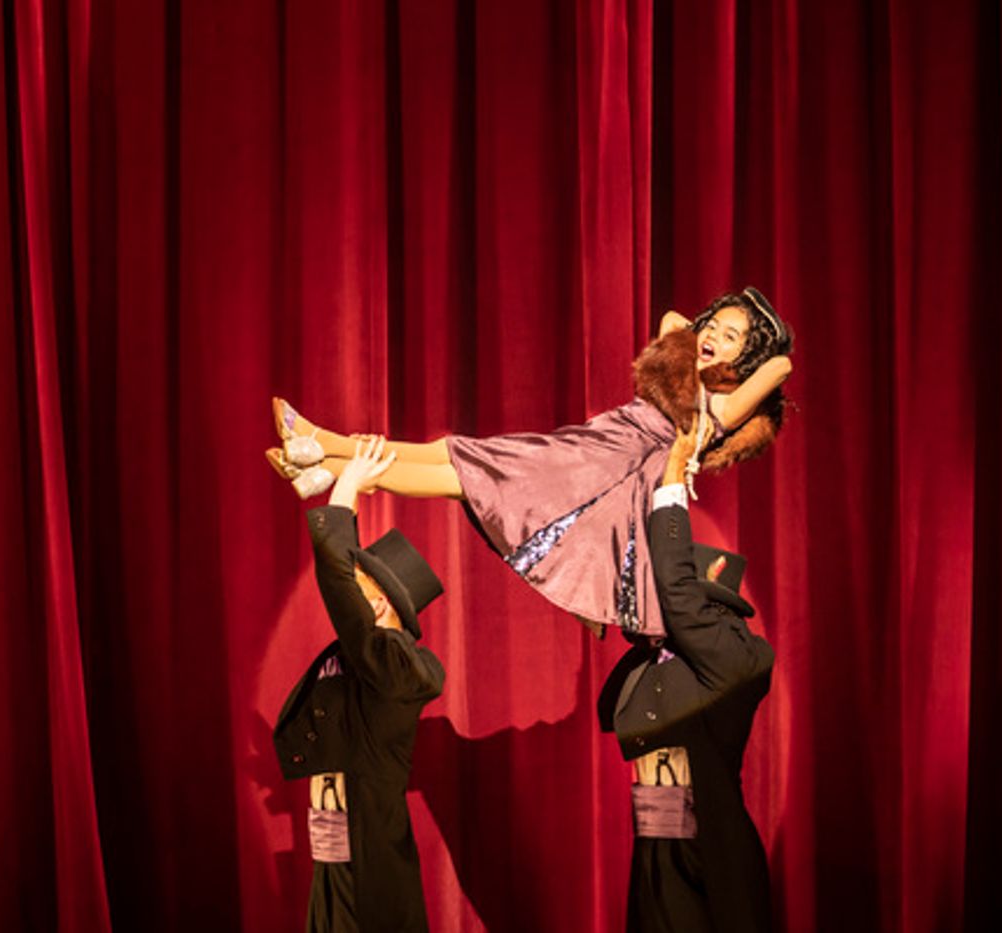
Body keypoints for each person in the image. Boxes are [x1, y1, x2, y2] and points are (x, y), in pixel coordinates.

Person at [266, 287, 792, 635]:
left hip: (595, 473)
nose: (712, 338)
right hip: (585, 449)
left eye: (731, 338)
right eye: (713, 326)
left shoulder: (719, 407)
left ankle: (325, 455)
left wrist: (751, 344)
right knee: (454, 456)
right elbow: (674, 321)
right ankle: (323, 454)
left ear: (746, 358)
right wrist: (707, 331)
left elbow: (780, 365)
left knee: (459, 475)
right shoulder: (680, 372)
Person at [596, 419, 776, 932]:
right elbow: (612, 711)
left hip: (709, 847)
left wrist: (671, 480)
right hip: (658, 842)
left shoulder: (736, 654)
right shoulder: (668, 664)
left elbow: (676, 594)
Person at [274, 437, 446, 932]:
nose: (355, 594)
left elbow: (336, 584)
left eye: (363, 589)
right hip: (332, 857)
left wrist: (345, 490)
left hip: (369, 867)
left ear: (378, 603)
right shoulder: (359, 660)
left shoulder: (400, 665)